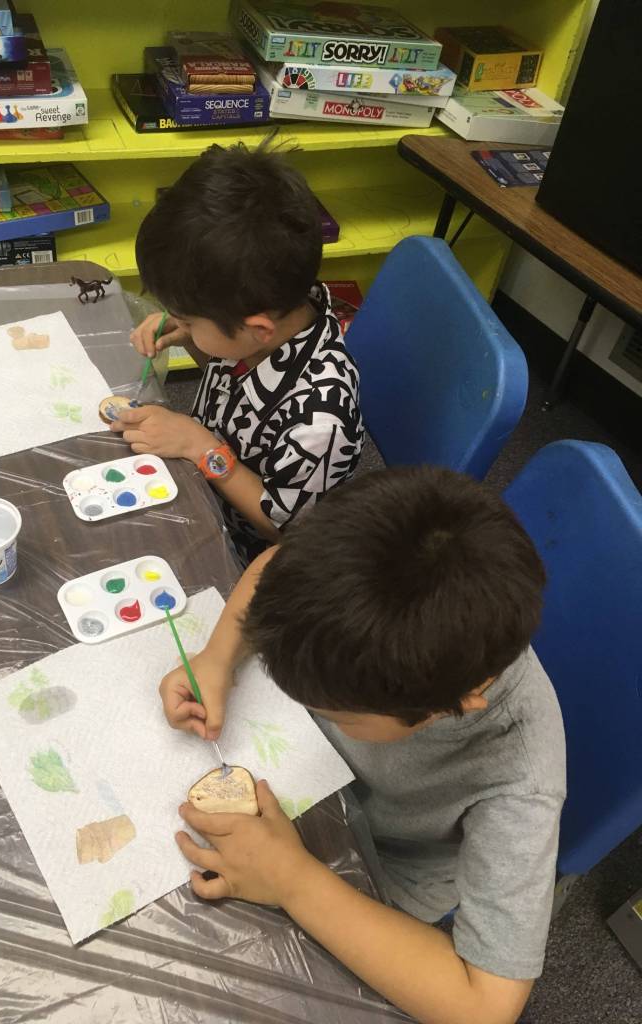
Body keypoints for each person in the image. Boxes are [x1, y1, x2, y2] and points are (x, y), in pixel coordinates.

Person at [159, 468, 566, 1024]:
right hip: (310, 777)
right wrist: (216, 658)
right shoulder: (376, 563)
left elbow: (486, 1006)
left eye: (341, 715)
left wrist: (292, 880)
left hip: (373, 866)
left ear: (455, 705)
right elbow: (272, 568)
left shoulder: (519, 773)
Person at [113, 137, 363, 563]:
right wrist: (192, 336)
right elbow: (232, 379)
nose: (181, 324)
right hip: (200, 486)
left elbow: (281, 527)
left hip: (245, 554)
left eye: (189, 320)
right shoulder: (273, 315)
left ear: (257, 329)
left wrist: (201, 447)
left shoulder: (320, 422)